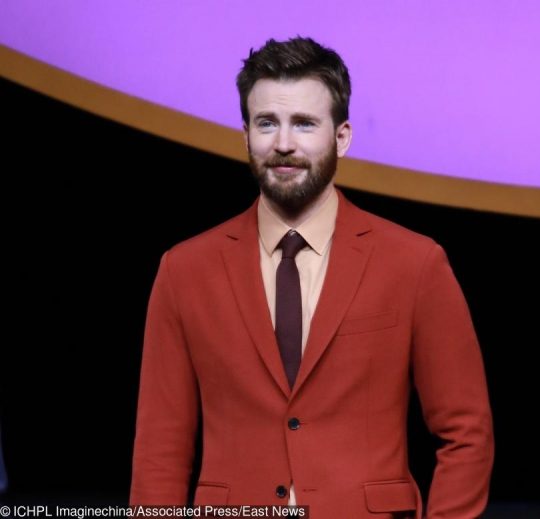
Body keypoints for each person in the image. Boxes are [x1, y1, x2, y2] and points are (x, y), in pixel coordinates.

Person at [130, 37, 493, 518]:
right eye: (267, 123)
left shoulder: (414, 263)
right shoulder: (185, 270)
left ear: (342, 137)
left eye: (304, 123)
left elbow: (466, 432)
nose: (284, 143)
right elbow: (160, 447)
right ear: (245, 135)